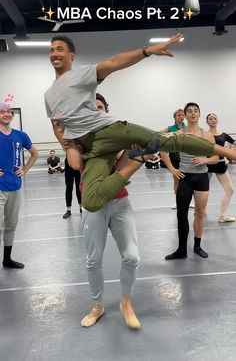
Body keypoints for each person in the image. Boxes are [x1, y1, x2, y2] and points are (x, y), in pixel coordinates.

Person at [44, 35, 236, 213]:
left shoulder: (80, 75)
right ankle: (138, 159)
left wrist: (148, 51)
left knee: (166, 142)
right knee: (90, 202)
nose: (54, 53)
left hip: (110, 130)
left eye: (59, 49)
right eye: (51, 50)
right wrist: (67, 145)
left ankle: (229, 152)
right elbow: (56, 124)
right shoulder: (49, 95)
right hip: (93, 147)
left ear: (71, 55)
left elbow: (114, 62)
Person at [81, 93, 140, 329]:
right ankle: (98, 305)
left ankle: (126, 302)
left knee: (132, 256)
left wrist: (132, 155)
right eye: (91, 108)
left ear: (107, 110)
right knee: (93, 260)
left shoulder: (121, 139)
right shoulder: (81, 139)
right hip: (94, 206)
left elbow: (123, 174)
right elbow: (77, 165)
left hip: (120, 203)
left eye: (100, 107)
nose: (97, 111)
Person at [163, 103, 219, 260]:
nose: (193, 113)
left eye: (196, 111)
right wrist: (172, 169)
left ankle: (197, 246)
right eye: (189, 111)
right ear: (185, 115)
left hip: (201, 178)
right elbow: (163, 150)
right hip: (185, 177)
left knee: (200, 213)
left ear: (199, 114)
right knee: (181, 214)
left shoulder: (207, 135)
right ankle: (181, 250)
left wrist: (204, 159)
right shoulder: (179, 134)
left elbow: (216, 157)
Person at [0, 102, 38, 268]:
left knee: (11, 225)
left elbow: (35, 154)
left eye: (9, 112)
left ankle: (7, 259)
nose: (7, 114)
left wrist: (25, 169)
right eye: (3, 112)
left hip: (15, 186)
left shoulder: (21, 135)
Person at [206, 113, 236, 223]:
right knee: (202, 190)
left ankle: (222, 215)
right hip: (207, 164)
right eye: (210, 119)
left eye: (214, 118)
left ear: (217, 120)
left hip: (220, 164)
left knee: (230, 190)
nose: (213, 120)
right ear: (207, 122)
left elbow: (234, 142)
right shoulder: (204, 134)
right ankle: (201, 208)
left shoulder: (223, 135)